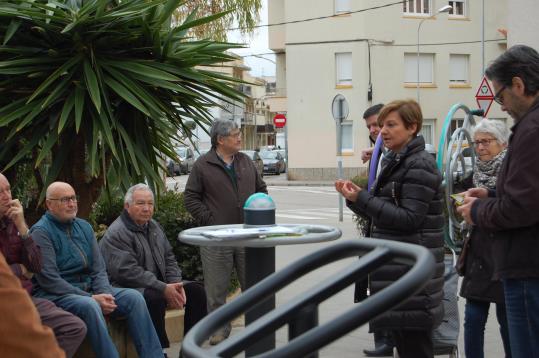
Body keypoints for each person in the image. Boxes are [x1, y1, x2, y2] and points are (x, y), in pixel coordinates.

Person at [336, 100, 445, 358]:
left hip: (411, 276)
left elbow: (409, 219)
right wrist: (354, 199)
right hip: (399, 272)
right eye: (381, 125)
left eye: (391, 125)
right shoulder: (396, 160)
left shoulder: (419, 164)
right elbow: (382, 216)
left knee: (415, 349)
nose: (382, 131)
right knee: (406, 347)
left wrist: (363, 198)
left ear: (412, 128)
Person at [457, 44, 539, 358]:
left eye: (500, 95)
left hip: (527, 267)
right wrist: (491, 195)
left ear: (519, 85)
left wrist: (477, 209)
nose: (500, 104)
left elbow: (521, 208)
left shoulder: (532, 129)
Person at [30, 182, 163, 358]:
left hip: (90, 289)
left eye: (73, 198)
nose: (71, 204)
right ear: (49, 204)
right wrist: (92, 298)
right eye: (64, 200)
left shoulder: (84, 227)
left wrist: (105, 293)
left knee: (134, 298)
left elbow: (98, 268)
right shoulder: (41, 232)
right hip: (58, 294)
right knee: (91, 305)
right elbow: (50, 280)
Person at [184, 119, 267, 344]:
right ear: (220, 140)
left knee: (253, 285)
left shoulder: (245, 161)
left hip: (246, 234)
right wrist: (210, 220)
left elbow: (261, 190)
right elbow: (190, 198)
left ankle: (257, 327)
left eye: (239, 133)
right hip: (216, 237)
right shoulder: (203, 165)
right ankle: (219, 330)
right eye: (235, 134)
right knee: (216, 290)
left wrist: (258, 213)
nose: (239, 137)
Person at [99, 183, 207, 352]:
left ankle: (189, 350)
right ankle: (160, 351)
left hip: (159, 284)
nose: (147, 208)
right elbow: (127, 273)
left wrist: (175, 284)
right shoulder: (117, 233)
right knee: (154, 298)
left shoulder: (153, 226)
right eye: (141, 203)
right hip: (128, 288)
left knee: (197, 292)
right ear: (127, 206)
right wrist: (163, 287)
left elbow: (169, 258)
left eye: (150, 203)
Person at [0, 173, 86, 357]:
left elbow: (36, 266)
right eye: (0, 192)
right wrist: (21, 269)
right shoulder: (44, 228)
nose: (7, 196)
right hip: (8, 301)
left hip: (27, 297)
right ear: (49, 204)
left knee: (74, 327)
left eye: (8, 190)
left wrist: (22, 226)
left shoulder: (13, 222)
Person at [458, 120, 512, 358]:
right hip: (478, 256)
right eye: (477, 142)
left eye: (486, 141)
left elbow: (512, 204)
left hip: (505, 255)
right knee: (473, 319)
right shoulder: (473, 174)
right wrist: (459, 203)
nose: (480, 147)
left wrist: (483, 204)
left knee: (508, 321)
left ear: (503, 144)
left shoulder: (513, 171)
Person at [353, 104, 394, 357]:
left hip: (389, 233)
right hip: (376, 230)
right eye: (369, 126)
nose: (373, 129)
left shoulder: (392, 154)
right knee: (375, 288)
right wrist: (354, 197)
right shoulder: (378, 154)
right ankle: (382, 340)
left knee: (386, 289)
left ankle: (387, 340)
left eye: (377, 124)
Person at [0, 251, 66, 358]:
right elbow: (51, 280)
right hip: (32, 294)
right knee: (87, 308)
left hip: (27, 294)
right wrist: (19, 268)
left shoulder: (21, 236)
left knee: (75, 324)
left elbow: (36, 266)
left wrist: (25, 237)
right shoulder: (42, 234)